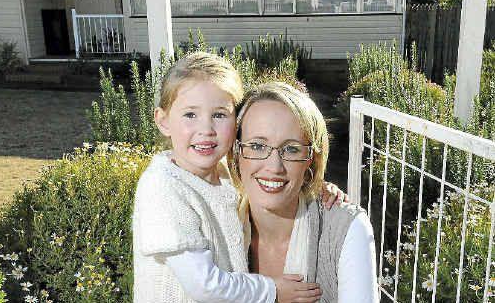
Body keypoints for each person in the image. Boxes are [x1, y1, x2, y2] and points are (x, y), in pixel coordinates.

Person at [133, 52, 342, 303]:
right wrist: (272, 290)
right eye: (190, 115)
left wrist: (315, 186)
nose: (206, 130)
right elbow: (205, 286)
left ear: (237, 122)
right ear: (163, 121)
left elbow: (270, 178)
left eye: (219, 114)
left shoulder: (223, 172)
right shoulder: (163, 189)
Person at [228, 82, 379, 302]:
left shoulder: (346, 230)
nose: (274, 167)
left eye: (291, 149)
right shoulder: (216, 224)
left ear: (311, 160)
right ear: (236, 152)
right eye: (258, 146)